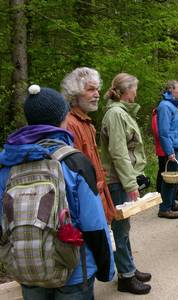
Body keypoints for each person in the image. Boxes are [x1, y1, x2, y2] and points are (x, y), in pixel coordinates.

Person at [0, 85, 115, 299]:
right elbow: (94, 225)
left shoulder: (8, 165)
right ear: (63, 119)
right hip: (74, 271)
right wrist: (106, 269)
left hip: (29, 271)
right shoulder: (74, 161)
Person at [101, 73, 151, 295]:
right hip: (118, 180)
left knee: (125, 227)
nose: (136, 92)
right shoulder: (115, 115)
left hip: (123, 178)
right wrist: (130, 183)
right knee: (120, 230)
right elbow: (119, 153)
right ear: (125, 91)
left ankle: (128, 267)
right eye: (134, 89)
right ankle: (126, 277)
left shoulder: (121, 113)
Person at [62, 67, 117, 224]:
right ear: (75, 93)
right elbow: (75, 176)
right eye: (90, 90)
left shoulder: (86, 123)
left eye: (97, 89)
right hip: (87, 209)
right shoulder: (70, 125)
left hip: (96, 202)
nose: (97, 94)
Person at [156, 80, 178, 219]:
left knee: (175, 179)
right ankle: (164, 208)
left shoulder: (172, 106)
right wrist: (169, 152)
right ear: (170, 90)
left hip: (177, 147)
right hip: (172, 149)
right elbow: (164, 132)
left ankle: (171, 203)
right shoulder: (165, 107)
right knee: (169, 180)